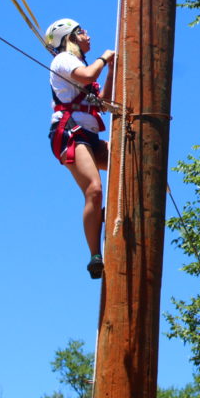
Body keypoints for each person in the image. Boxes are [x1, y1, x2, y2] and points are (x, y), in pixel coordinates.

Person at [44, 18, 116, 280]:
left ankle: (107, 214)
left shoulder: (81, 66)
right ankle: (95, 255)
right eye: (81, 31)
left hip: (89, 134)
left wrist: (110, 70)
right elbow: (88, 76)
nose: (87, 34)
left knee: (126, 161)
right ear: (69, 38)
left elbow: (103, 104)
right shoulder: (63, 60)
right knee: (94, 190)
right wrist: (104, 59)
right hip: (70, 133)